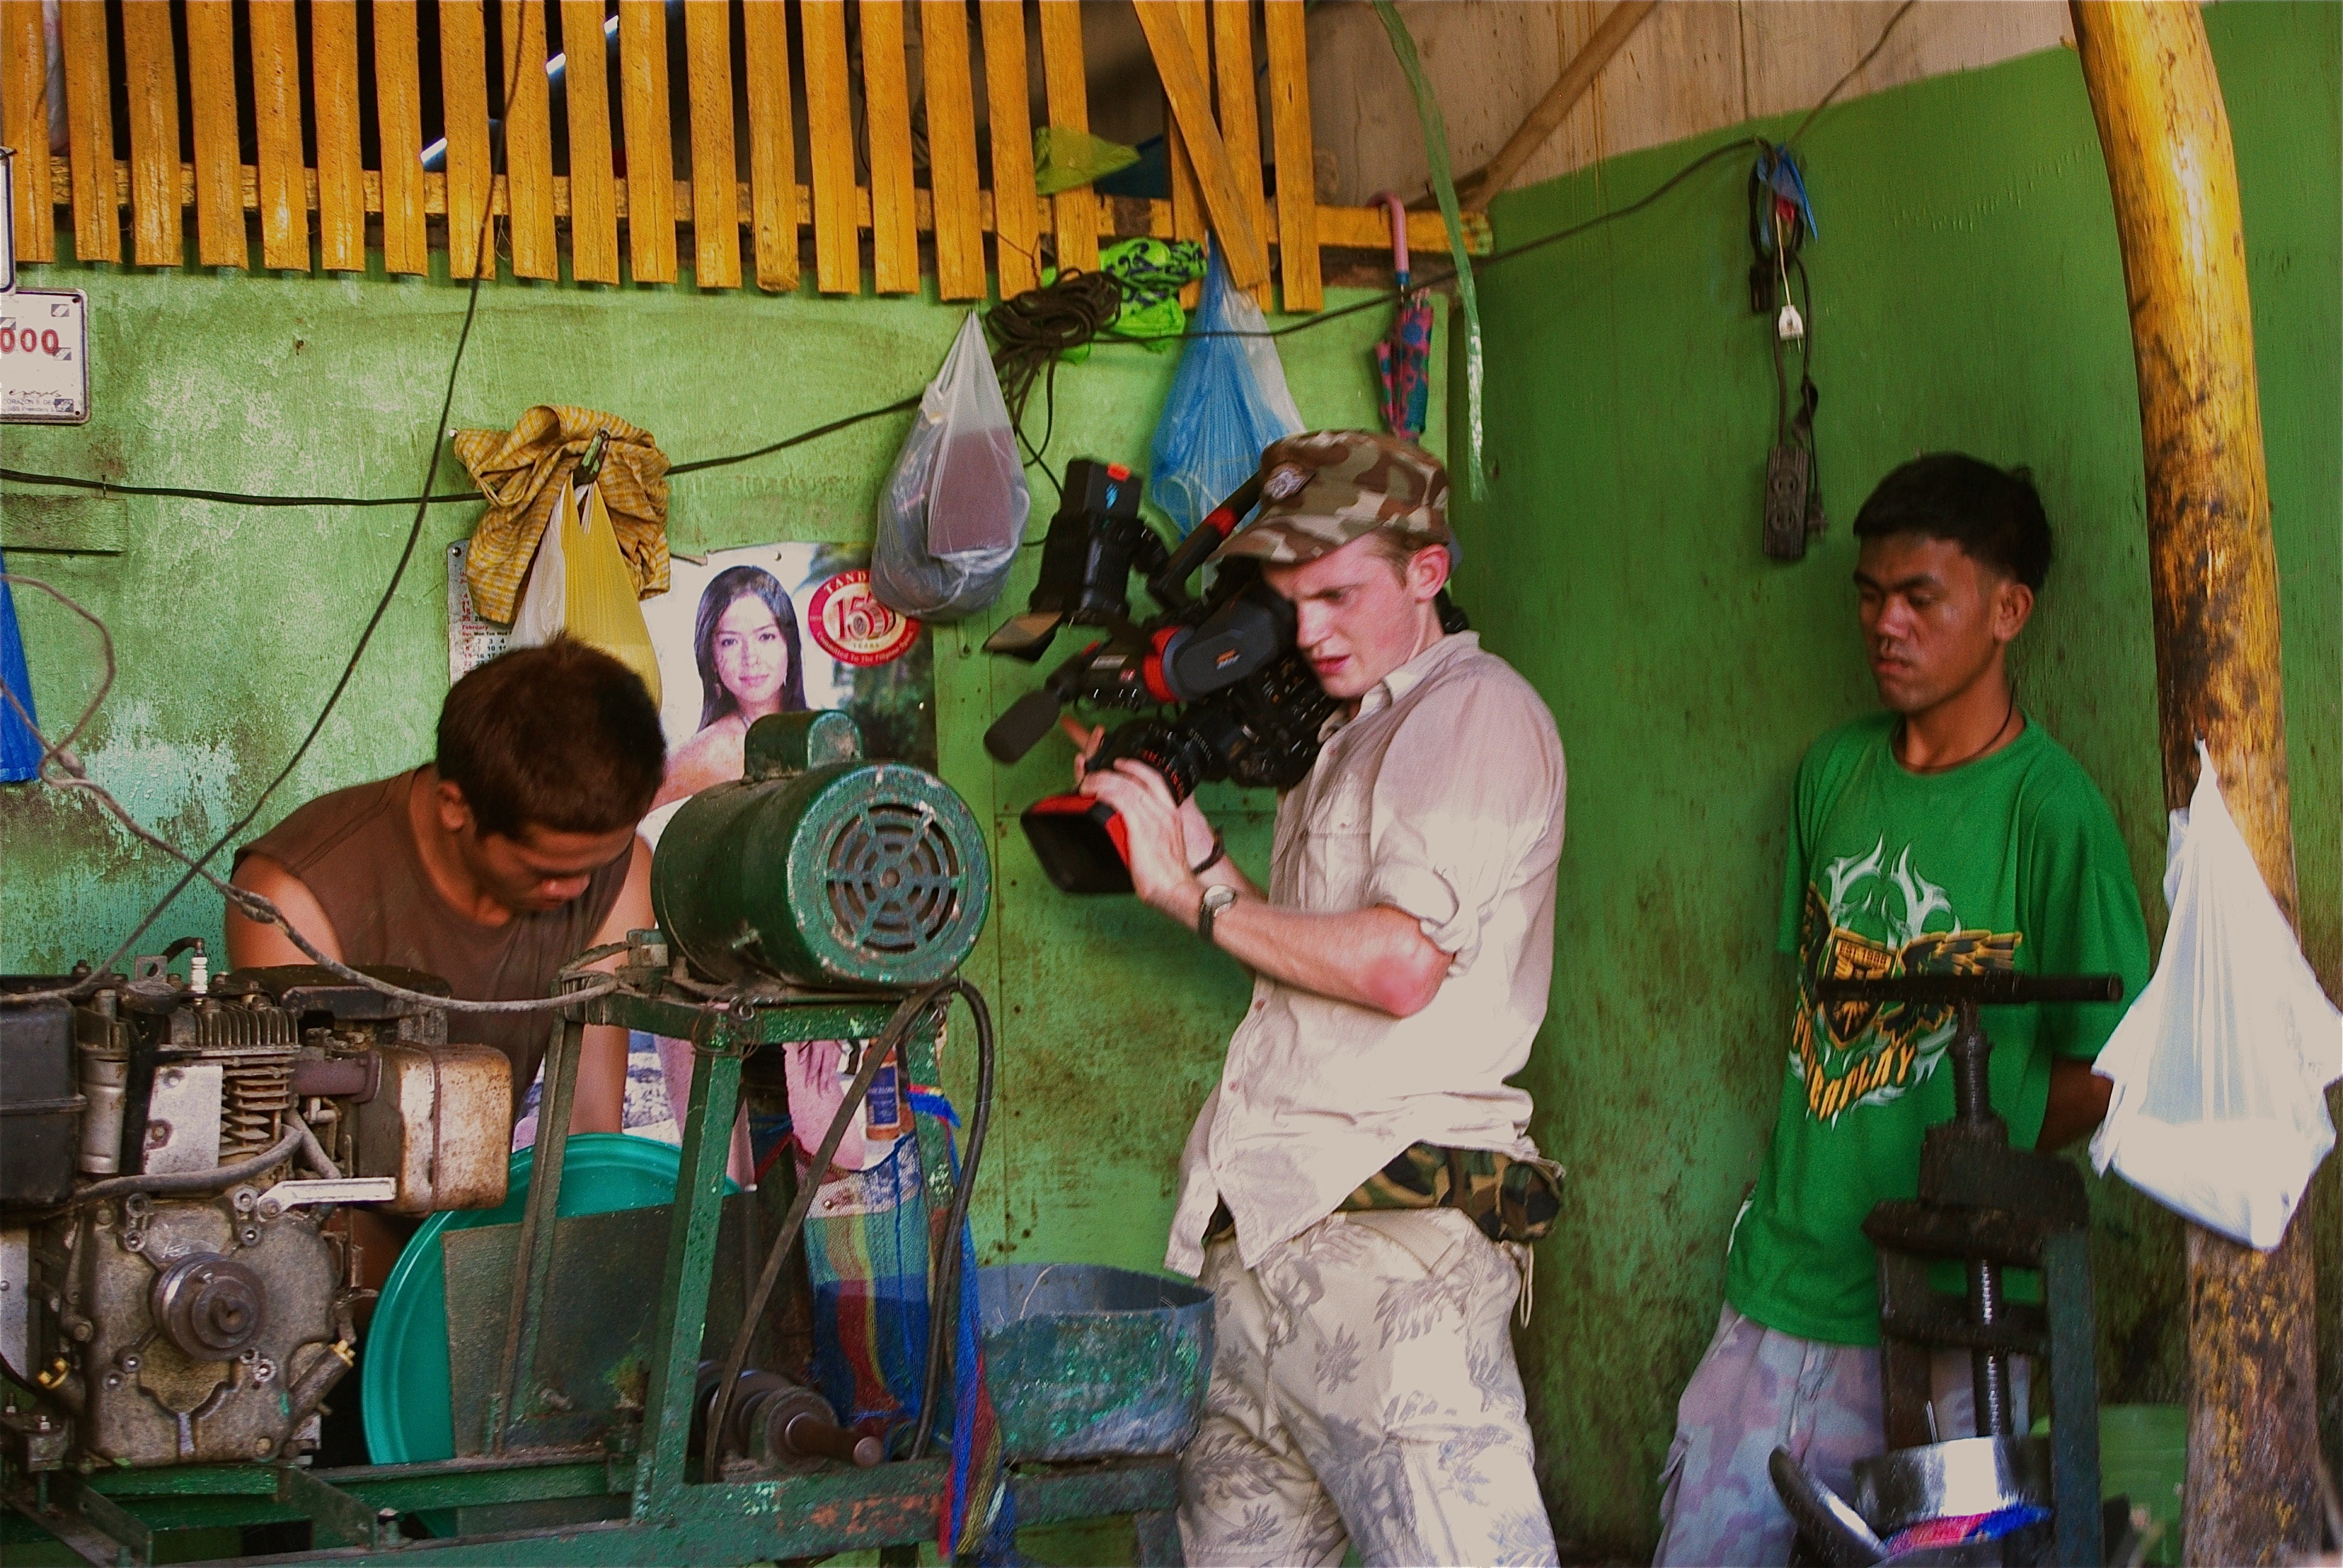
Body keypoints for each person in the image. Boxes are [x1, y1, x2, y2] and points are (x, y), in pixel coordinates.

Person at [1078, 431, 1568, 1568]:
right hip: (1261, 1237)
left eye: (1340, 594)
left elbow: (1397, 968)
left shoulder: (1472, 716)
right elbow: (1310, 966)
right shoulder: (1350, 735)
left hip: (1391, 1267)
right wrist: (1192, 854)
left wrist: (1194, 905)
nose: (1308, 631)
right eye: (1288, 600)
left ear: (1426, 572)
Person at [1651, 455, 2152, 1566]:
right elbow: (1820, 1007)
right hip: (1786, 1275)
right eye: (1871, 595)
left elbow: (2117, 1063)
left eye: (1920, 596)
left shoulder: (2050, 811)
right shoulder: (1829, 774)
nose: (1886, 623)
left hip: (1958, 1303)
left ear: (2006, 609)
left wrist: (1977, 1164)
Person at [226, 635, 664, 1137]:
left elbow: (588, 1125)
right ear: (455, 806)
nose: (575, 889)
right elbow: (303, 1154)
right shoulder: (291, 901)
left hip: (489, 1201)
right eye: (545, 870)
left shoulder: (624, 873)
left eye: (598, 862)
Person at [652, 564, 808, 808]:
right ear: (712, 658)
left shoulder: (820, 730)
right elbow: (622, 820)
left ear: (789, 645)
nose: (750, 657)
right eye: (730, 642)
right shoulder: (715, 749)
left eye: (766, 637)